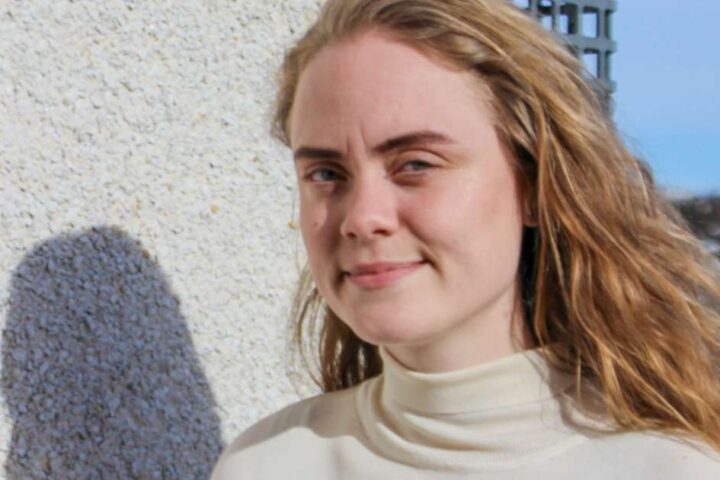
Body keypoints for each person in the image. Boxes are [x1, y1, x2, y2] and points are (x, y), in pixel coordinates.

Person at [212, 0, 720, 478]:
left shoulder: (671, 468)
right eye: (325, 173)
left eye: (416, 164)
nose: (363, 218)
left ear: (534, 186)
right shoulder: (266, 465)